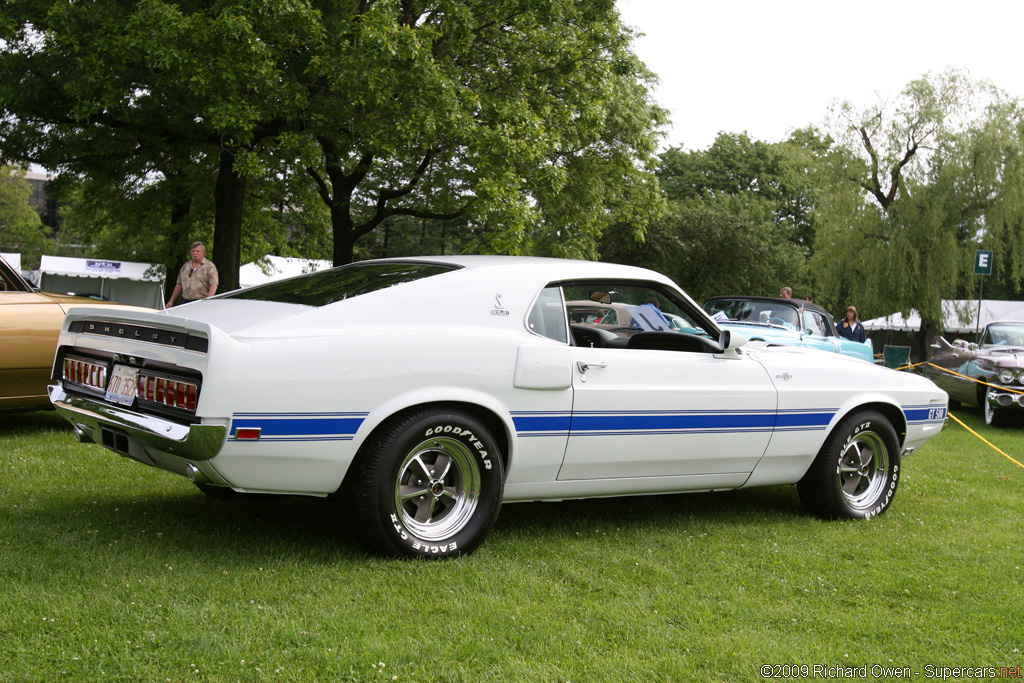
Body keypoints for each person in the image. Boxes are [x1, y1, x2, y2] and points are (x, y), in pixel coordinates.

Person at [166, 241, 219, 307]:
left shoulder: (209, 266)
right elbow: (179, 285)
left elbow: (214, 284)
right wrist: (171, 301)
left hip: (201, 301)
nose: (195, 253)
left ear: (203, 253)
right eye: (193, 251)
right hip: (186, 301)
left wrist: (208, 300)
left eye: (197, 251)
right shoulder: (185, 266)